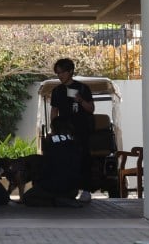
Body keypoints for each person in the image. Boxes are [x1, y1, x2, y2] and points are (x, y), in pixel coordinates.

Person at [50, 57, 95, 203]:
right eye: (57, 73)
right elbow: (54, 111)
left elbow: (91, 109)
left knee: (83, 159)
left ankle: (86, 190)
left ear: (70, 72)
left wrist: (80, 100)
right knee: (64, 160)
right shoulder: (57, 91)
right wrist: (54, 128)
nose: (60, 76)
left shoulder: (82, 88)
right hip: (63, 132)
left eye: (62, 72)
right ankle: (67, 190)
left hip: (81, 130)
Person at [21, 116, 83, 207]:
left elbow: (47, 166)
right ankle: (64, 199)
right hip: (73, 189)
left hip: (54, 186)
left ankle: (56, 202)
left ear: (54, 128)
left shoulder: (51, 142)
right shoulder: (75, 142)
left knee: (27, 198)